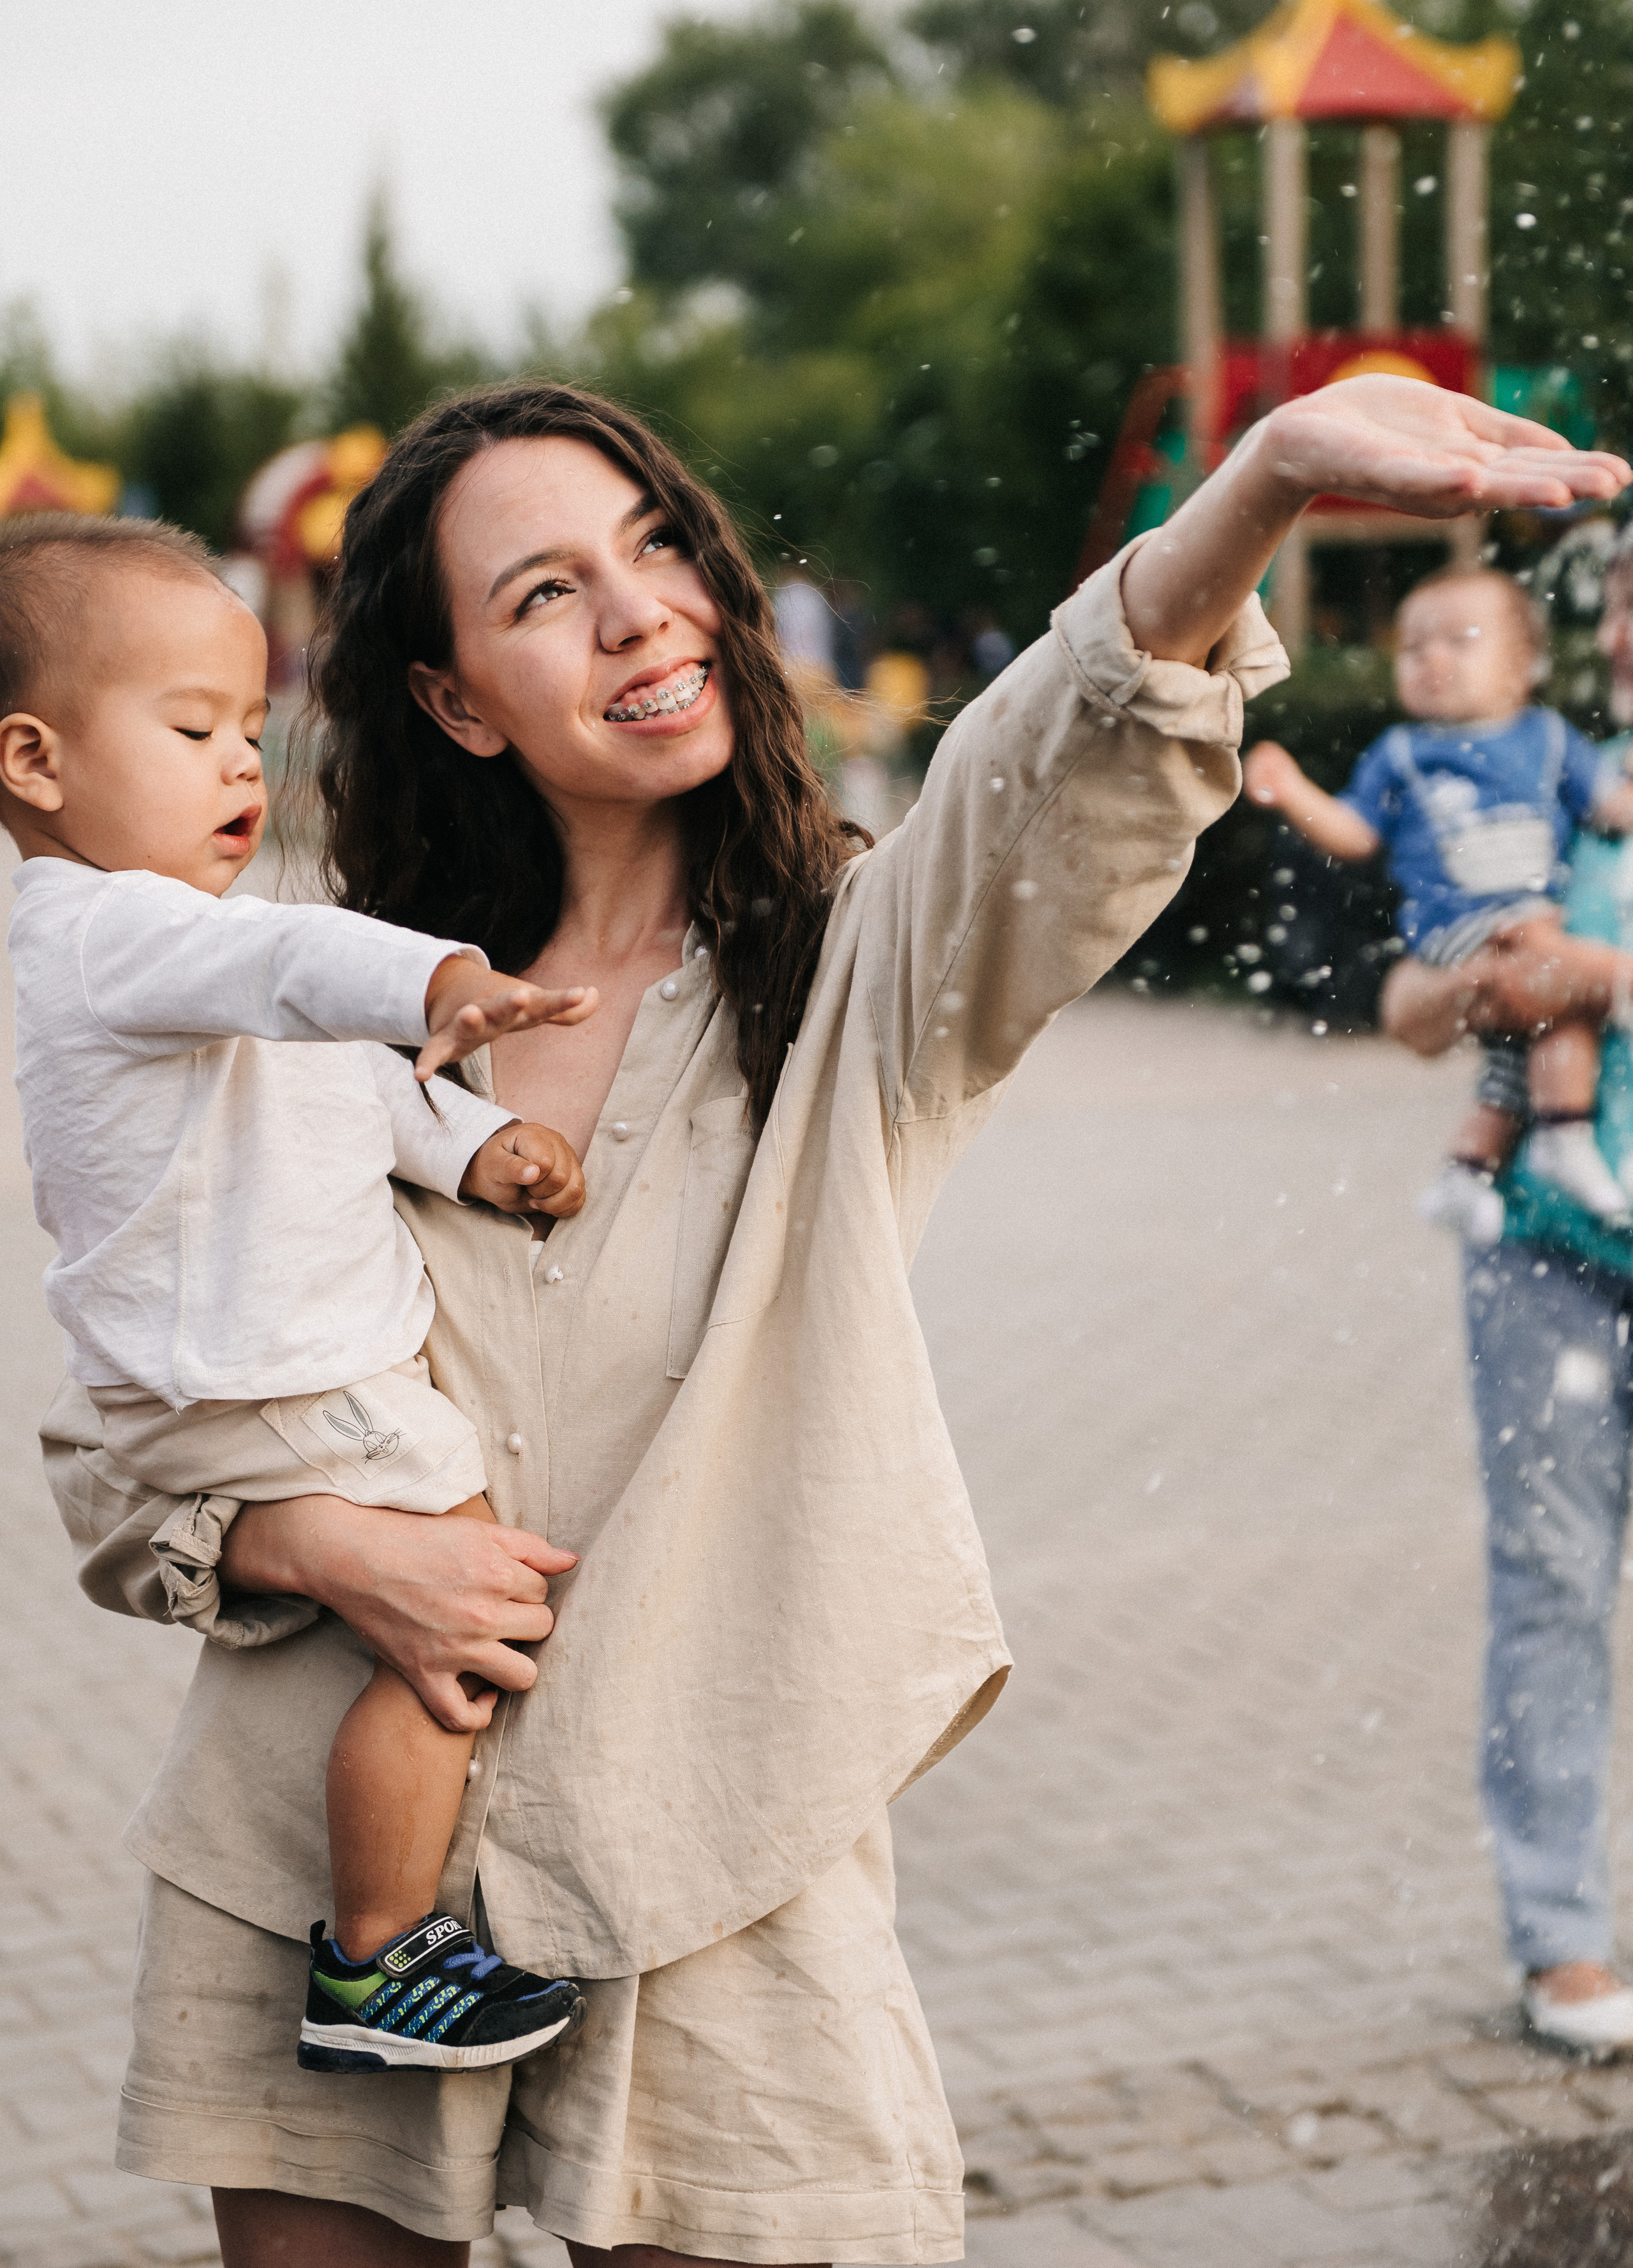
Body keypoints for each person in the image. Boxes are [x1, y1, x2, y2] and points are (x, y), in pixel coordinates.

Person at [43, 378, 1622, 2264]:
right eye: (543, 594)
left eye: (654, 550)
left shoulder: (855, 970)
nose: (637, 612)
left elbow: (1053, 768)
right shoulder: (323, 1011)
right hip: (316, 1868)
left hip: (717, 1844)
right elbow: (116, 1433)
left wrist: (1261, 482)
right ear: (455, 699)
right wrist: (318, 1541)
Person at [0, 513, 596, 2072]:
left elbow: (344, 1082)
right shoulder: (101, 927)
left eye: (253, 729)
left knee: (454, 1602)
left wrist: (475, 1149)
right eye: (191, 727)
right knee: (470, 1600)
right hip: (259, 1383)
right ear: (34, 761)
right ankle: (377, 1950)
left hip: (243, 1377)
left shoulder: (175, 955)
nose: (241, 766)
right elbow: (297, 969)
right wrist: (443, 982)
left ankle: (382, 1936)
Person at [1383, 520, 1633, 2056]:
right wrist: (1471, 984)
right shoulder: (1535, 771)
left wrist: (1590, 979)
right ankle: (1558, 1938)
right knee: (1547, 1591)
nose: (1625, 630)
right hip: (1545, 1257)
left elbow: (1587, 975)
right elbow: (1407, 999)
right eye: (1620, 600)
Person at [1246, 567, 1633, 1238]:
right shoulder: (1403, 753)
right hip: (1463, 931)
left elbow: (1610, 804)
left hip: (1527, 935)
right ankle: (1552, 1142)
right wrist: (1296, 793)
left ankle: (1488, 1160)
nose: (1431, 659)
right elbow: (1356, 833)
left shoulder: (1544, 738)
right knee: (1582, 976)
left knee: (1544, 1033)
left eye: (1459, 641)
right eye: (1415, 646)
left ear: (1522, 668)